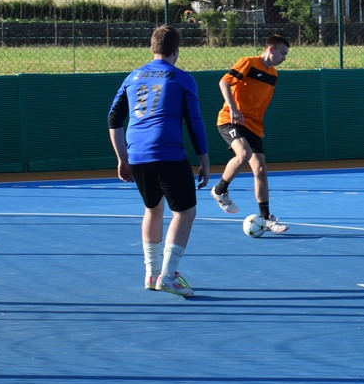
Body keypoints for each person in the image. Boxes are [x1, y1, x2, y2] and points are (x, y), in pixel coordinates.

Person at [107, 25, 211, 298]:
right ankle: (169, 275)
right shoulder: (182, 78)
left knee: (152, 209)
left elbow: (113, 119)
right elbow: (195, 122)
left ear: (152, 47)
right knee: (184, 212)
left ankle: (151, 273)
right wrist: (204, 160)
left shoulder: (133, 76)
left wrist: (122, 159)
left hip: (137, 155)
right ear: (176, 50)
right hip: (168, 153)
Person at [210, 34, 291, 234]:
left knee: (261, 169)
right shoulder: (248, 63)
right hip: (230, 119)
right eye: (282, 53)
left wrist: (258, 128)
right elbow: (224, 83)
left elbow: (261, 104)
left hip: (253, 125)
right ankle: (220, 190)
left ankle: (266, 218)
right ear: (270, 49)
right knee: (244, 154)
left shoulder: (273, 75)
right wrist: (233, 108)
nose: (284, 58)